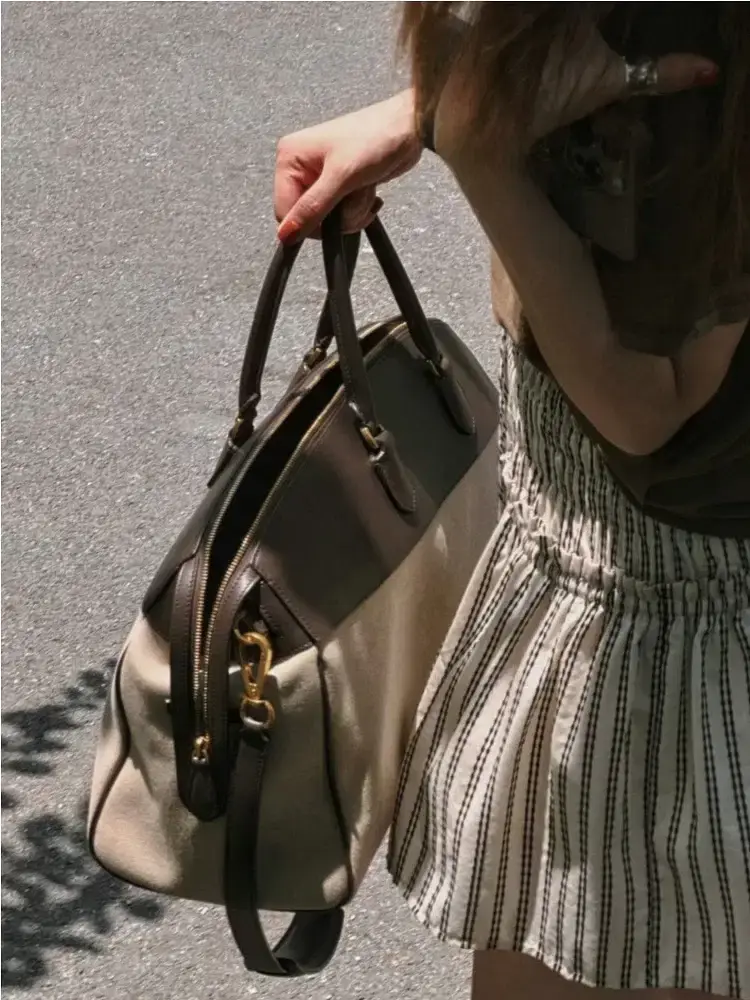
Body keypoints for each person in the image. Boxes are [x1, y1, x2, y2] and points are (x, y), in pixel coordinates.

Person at [273, 5, 750, 998]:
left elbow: (639, 402)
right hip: (611, 568)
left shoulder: (704, 45)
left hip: (671, 641)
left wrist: (472, 133)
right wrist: (441, 102)